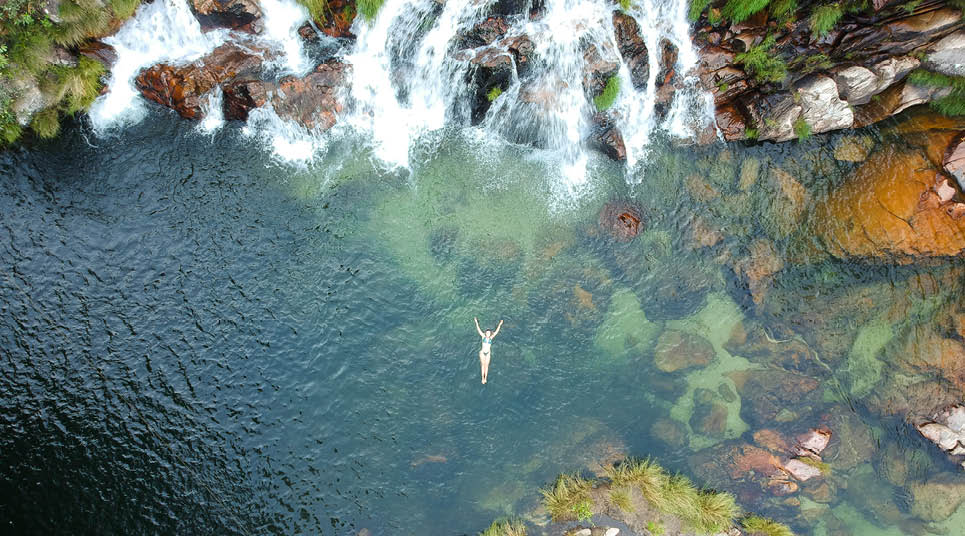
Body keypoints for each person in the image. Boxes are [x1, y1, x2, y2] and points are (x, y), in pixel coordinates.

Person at [474, 317, 503, 384]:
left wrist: (500, 324)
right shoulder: (483, 337)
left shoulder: (491, 338)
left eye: (489, 333)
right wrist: (476, 322)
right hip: (482, 353)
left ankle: (485, 378)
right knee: (482, 365)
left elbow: (496, 332)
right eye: (487, 333)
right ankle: (482, 378)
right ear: (485, 333)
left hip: (488, 353)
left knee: (486, 366)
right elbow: (478, 330)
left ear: (490, 334)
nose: (487, 334)